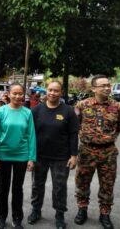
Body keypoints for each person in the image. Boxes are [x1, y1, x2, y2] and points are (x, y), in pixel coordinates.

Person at [27, 80, 79, 229]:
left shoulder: (68, 111)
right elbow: (30, 134)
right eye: (50, 90)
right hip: (39, 156)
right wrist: (30, 156)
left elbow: (73, 135)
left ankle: (60, 215)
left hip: (61, 157)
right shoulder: (36, 110)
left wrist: (74, 155)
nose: (52, 93)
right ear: (46, 91)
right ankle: (36, 210)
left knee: (59, 187)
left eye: (56, 90)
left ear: (61, 92)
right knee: (37, 185)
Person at [74, 75, 120, 229]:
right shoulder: (82, 105)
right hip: (87, 150)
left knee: (107, 185)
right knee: (82, 182)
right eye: (103, 85)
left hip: (108, 152)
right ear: (94, 88)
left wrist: (109, 138)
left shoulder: (117, 106)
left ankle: (105, 214)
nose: (107, 88)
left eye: (109, 85)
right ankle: (82, 210)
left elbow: (119, 127)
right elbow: (75, 125)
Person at [0, 82, 36, 229]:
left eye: (20, 93)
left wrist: (31, 158)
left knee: (18, 188)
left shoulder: (27, 112)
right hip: (4, 155)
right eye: (14, 93)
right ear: (9, 94)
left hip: (22, 156)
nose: (17, 96)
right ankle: (1, 217)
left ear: (24, 95)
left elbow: (31, 136)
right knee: (3, 187)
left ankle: (17, 218)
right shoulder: (1, 111)